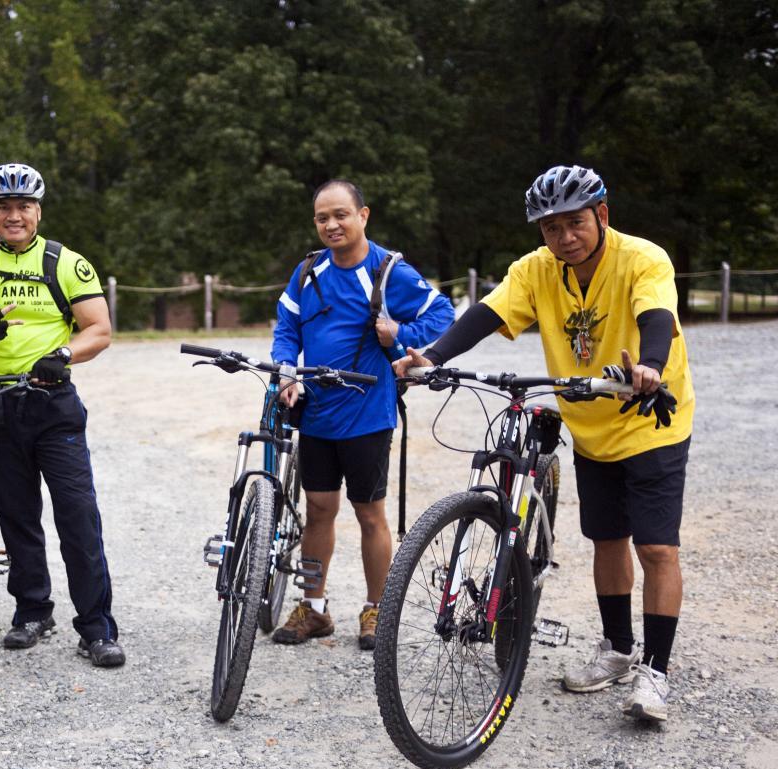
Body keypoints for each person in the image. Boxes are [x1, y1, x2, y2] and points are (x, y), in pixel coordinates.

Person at [396, 165, 693, 722]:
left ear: (602, 215)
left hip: (650, 421)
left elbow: (657, 315)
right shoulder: (536, 270)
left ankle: (655, 672)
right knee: (608, 539)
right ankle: (617, 649)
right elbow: (489, 313)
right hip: (592, 428)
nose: (565, 238)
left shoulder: (643, 259)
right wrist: (433, 357)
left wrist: (650, 366)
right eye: (551, 228)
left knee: (655, 548)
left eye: (575, 223)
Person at [0, 162, 123, 668]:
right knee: (17, 515)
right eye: (3, 207)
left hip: (52, 403)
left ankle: (97, 626)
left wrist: (64, 356)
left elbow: (98, 328)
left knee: (77, 516)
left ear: (38, 210)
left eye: (23, 207)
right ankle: (32, 611)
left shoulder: (65, 263)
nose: (14, 216)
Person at [270, 180, 454, 649]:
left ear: (363, 215)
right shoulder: (308, 270)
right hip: (317, 414)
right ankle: (314, 609)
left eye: (340, 215)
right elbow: (287, 326)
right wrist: (287, 372)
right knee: (318, 511)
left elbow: (443, 312)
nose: (331, 224)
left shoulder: (389, 271)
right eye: (321, 217)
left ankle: (376, 610)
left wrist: (400, 333)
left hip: (368, 415)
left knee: (370, 514)